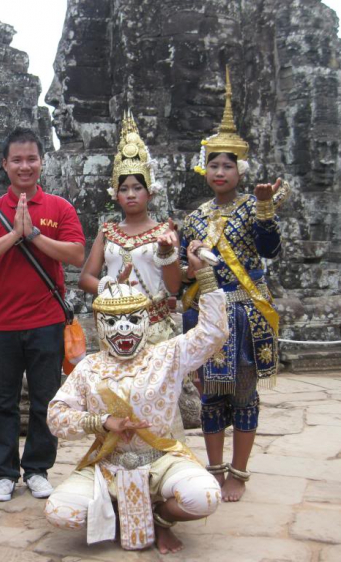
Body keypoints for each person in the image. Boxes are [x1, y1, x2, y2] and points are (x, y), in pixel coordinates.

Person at [44, 246, 228, 555]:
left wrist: (206, 278)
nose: (124, 328)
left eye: (132, 319)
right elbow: (55, 416)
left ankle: (161, 519)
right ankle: (116, 511)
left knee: (205, 496)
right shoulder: (89, 367)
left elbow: (213, 333)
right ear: (100, 326)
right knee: (61, 512)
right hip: (108, 466)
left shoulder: (166, 354)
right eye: (113, 322)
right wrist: (101, 422)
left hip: (161, 460)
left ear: (144, 320)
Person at [182, 67, 289, 502]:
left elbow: (270, 248)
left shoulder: (254, 206)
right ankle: (214, 468)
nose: (220, 170)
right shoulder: (194, 217)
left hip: (244, 312)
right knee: (210, 399)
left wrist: (265, 209)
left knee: (244, 395)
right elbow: (186, 277)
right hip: (207, 313)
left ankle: (239, 474)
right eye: (214, 163)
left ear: (240, 171)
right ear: (203, 169)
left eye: (228, 164)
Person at [0, 127, 86, 502]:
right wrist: (14, 234)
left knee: (45, 399)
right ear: (4, 164)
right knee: (2, 401)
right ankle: (4, 472)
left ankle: (37, 469)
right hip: (2, 322)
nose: (25, 166)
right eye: (16, 159)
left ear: (42, 162)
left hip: (47, 320)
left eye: (31, 158)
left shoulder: (59, 208)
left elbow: (77, 255)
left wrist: (33, 235)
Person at [78, 110, 181, 345]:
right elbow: (86, 278)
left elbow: (174, 286)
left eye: (137, 187)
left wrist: (167, 254)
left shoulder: (164, 231)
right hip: (115, 326)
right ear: (116, 194)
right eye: (124, 189)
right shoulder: (108, 232)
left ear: (149, 191)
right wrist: (112, 286)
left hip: (154, 325)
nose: (131, 194)